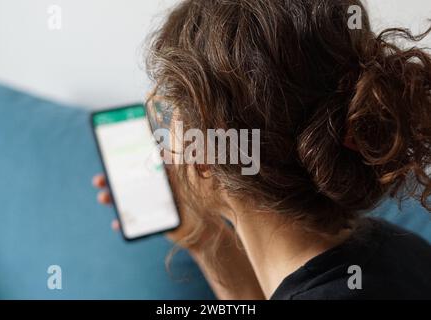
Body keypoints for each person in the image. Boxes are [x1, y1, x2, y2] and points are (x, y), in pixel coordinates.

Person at [94, 0, 431, 299]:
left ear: (207, 153)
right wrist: (201, 236)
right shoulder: (396, 248)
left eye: (173, 113)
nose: (166, 137)